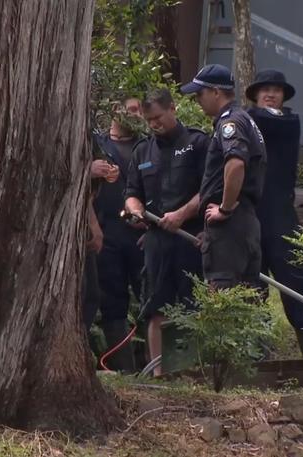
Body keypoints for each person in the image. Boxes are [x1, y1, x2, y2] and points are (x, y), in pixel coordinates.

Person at [124, 88, 209, 376]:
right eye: (149, 120)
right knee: (156, 306)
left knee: (192, 305)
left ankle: (192, 371)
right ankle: (159, 374)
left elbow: (209, 190)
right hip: (157, 241)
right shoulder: (142, 151)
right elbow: (132, 193)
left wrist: (182, 214)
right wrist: (135, 210)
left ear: (173, 109)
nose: (154, 124)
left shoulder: (197, 143)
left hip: (191, 239)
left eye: (158, 117)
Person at [245, 70, 303, 359]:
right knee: (252, 288)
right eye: (264, 89)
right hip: (251, 216)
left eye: (276, 90)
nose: (270, 93)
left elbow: (264, 120)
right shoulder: (247, 119)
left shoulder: (287, 121)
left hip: (281, 217)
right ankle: (258, 357)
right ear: (255, 93)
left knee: (294, 284)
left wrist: (237, 115)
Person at [180, 64, 266, 291]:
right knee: (246, 298)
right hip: (245, 221)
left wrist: (225, 209)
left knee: (222, 297)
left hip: (231, 223)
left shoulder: (230, 122)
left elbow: (236, 163)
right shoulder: (245, 120)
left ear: (216, 92)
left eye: (200, 94)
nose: (197, 100)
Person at [92, 97, 144, 371]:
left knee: (149, 296)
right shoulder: (98, 145)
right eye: (131, 109)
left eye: (140, 110)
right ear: (115, 110)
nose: (137, 114)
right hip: (106, 232)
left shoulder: (148, 146)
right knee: (112, 300)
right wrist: (92, 170)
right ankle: (124, 368)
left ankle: (157, 367)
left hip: (141, 235)